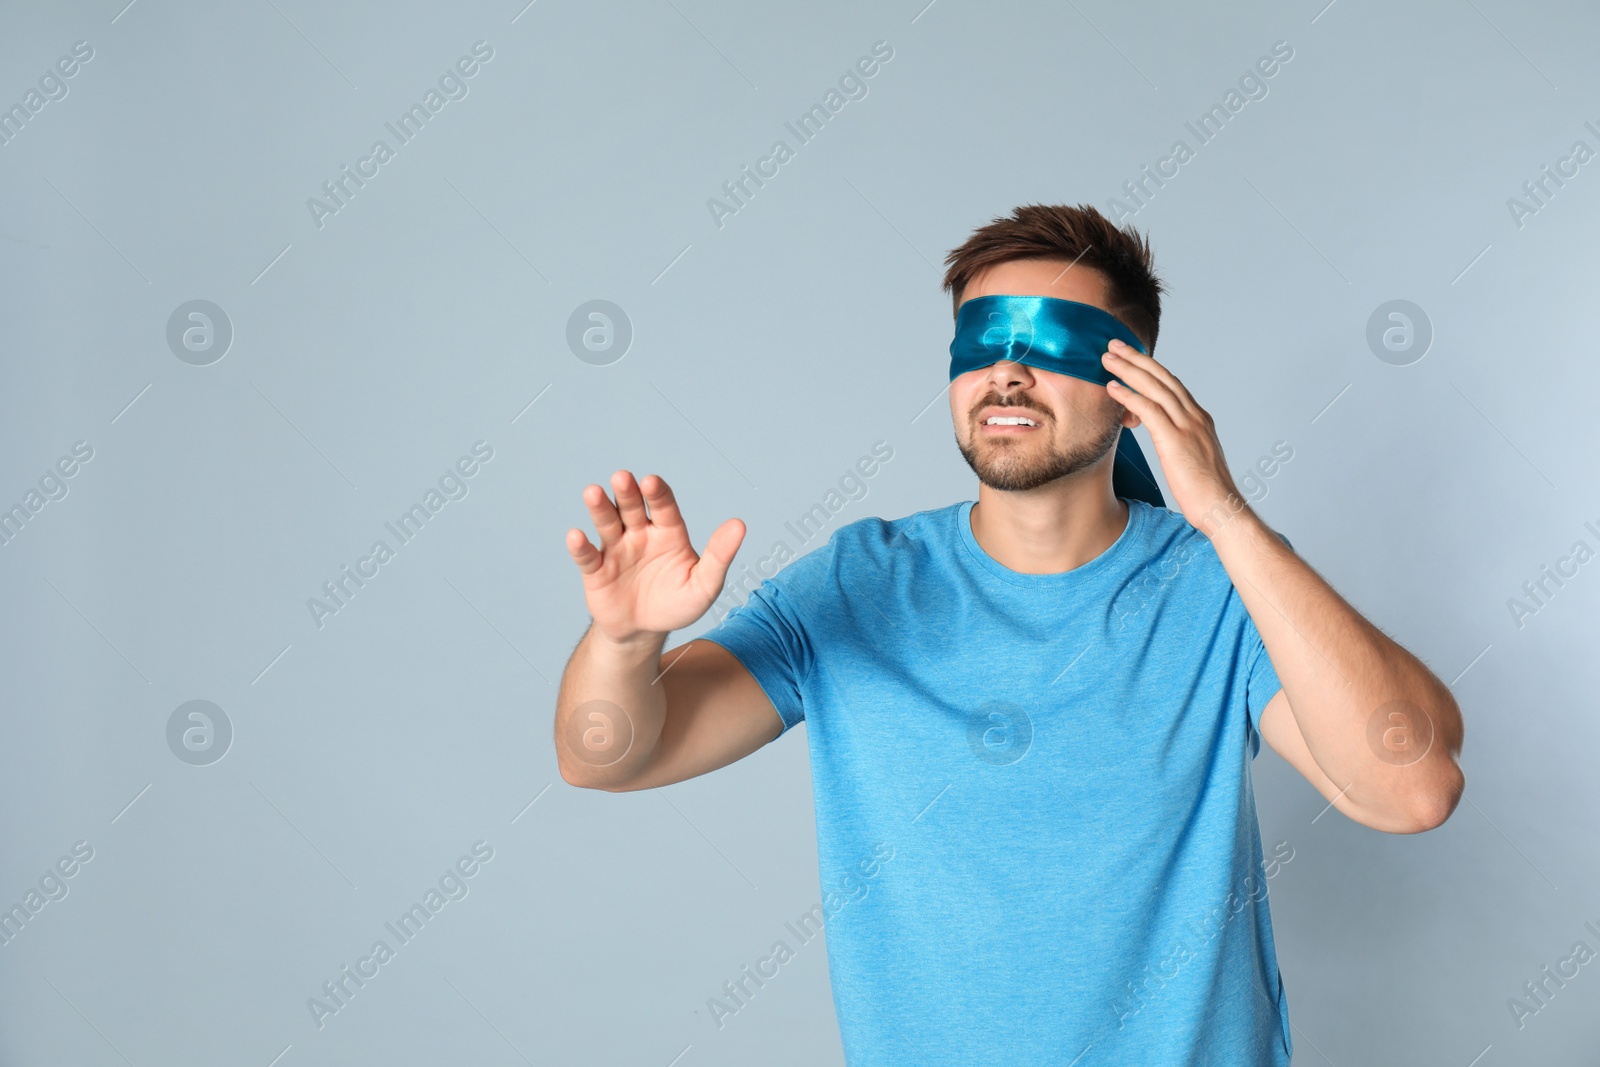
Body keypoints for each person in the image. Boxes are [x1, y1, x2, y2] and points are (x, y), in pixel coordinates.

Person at [554, 203, 1465, 1064]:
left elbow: (1412, 788)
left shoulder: (1223, 587)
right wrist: (626, 644)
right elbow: (610, 755)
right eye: (981, 342)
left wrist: (1225, 515)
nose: (1008, 372)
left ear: (1135, 384)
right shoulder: (856, 583)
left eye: (1049, 344)